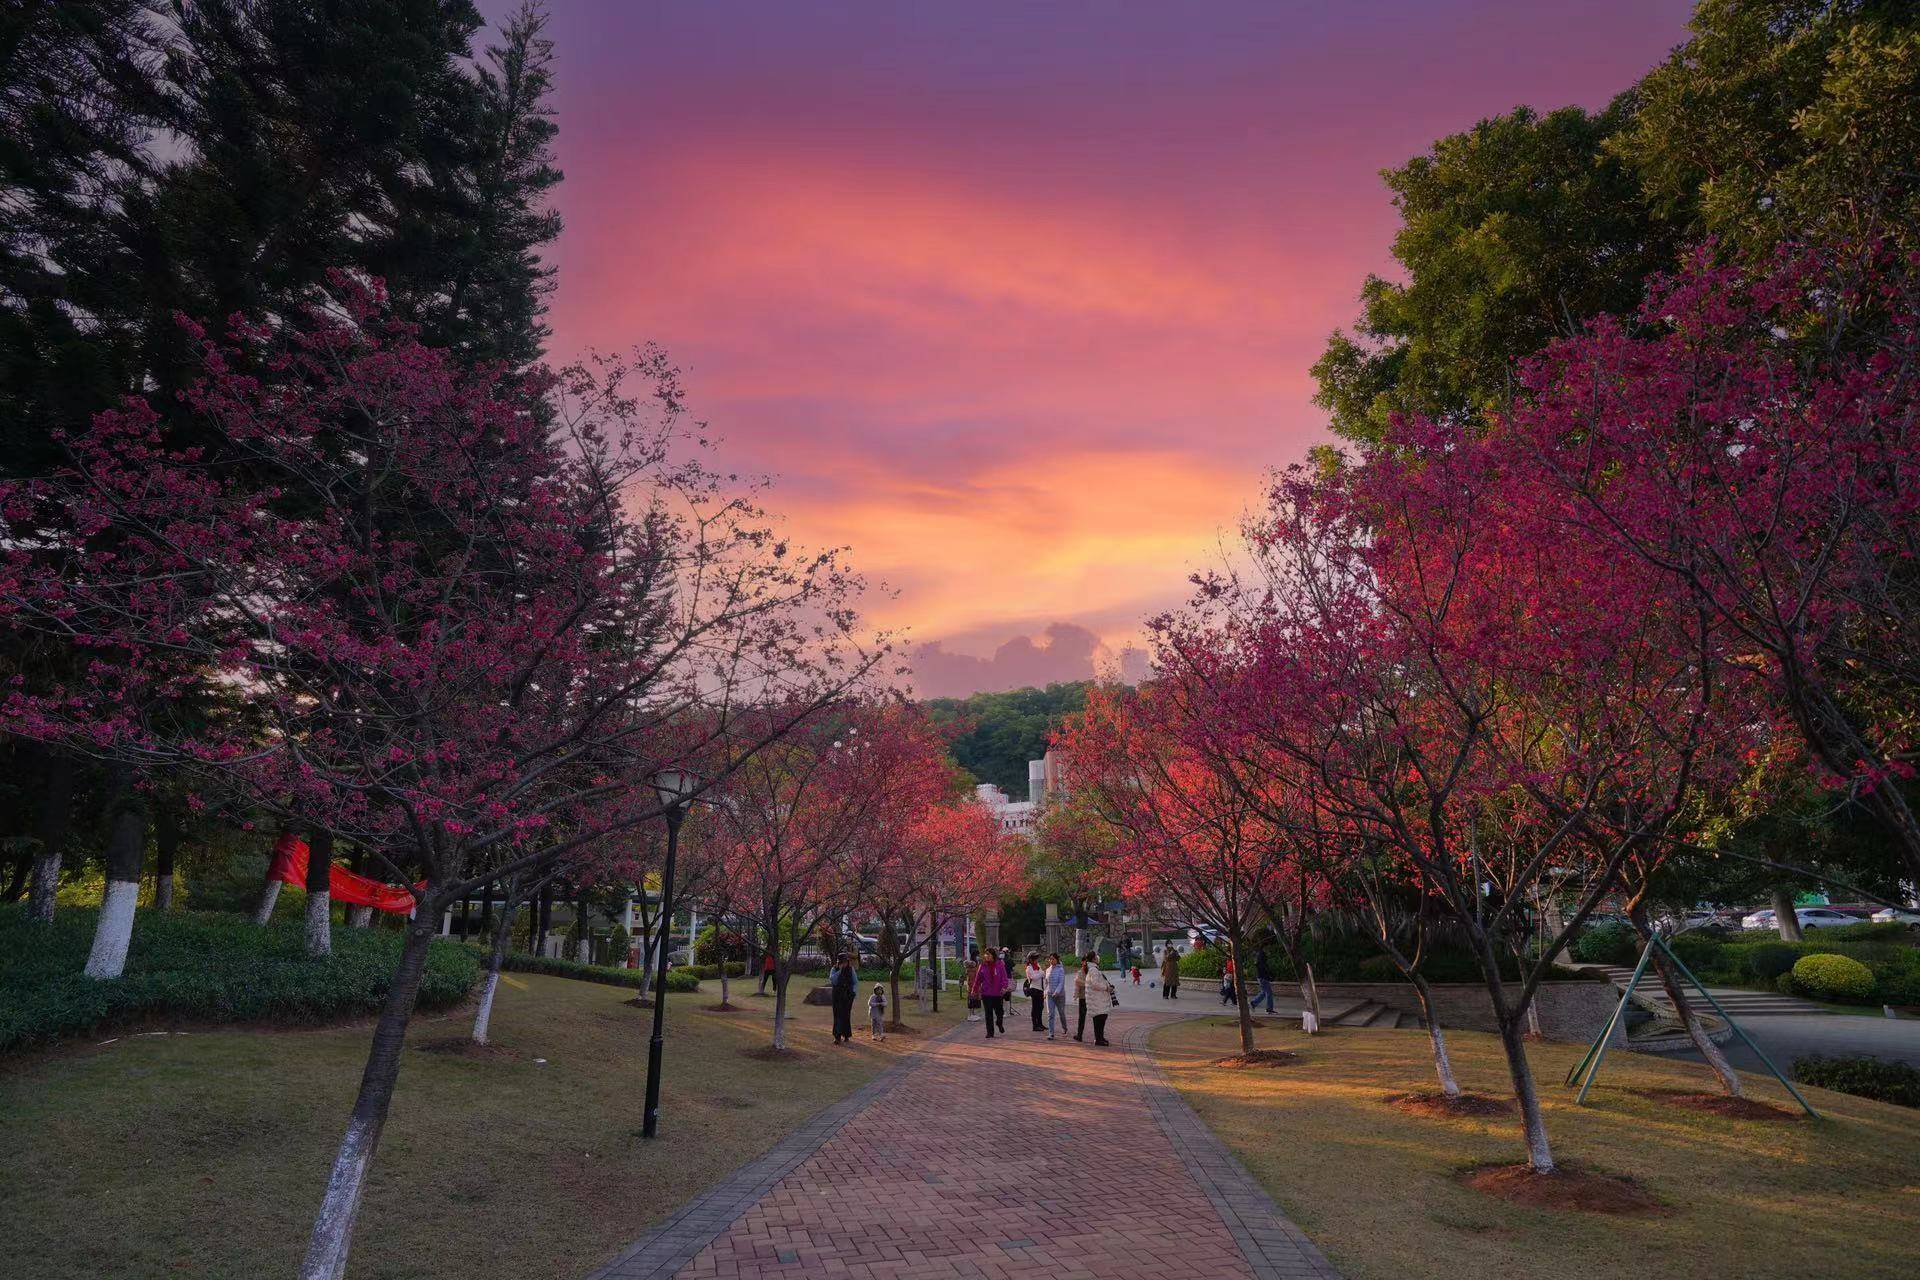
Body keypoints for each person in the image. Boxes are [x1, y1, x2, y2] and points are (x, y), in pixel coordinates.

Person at [975, 947, 1010, 1037]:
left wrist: (1004, 987)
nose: (986, 956)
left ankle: (999, 1023)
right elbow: (978, 979)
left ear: (993, 956)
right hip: (986, 993)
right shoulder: (982, 965)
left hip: (997, 993)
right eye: (985, 954)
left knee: (999, 1012)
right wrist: (974, 990)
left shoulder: (999, 964)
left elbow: (1004, 977)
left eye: (989, 954)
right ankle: (990, 1032)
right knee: (988, 1013)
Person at [1084, 960, 1119, 1045]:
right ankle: (1098, 1039)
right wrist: (1106, 988)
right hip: (1097, 1000)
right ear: (1093, 959)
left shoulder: (1094, 969)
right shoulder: (1093, 970)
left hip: (1098, 1000)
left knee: (1100, 1020)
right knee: (1099, 1020)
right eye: (1096, 957)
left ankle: (1100, 1038)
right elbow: (1095, 984)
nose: (1098, 958)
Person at [830, 953, 857, 1045]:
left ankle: (846, 1035)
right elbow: (833, 980)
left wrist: (853, 993)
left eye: (845, 962)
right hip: (837, 995)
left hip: (848, 995)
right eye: (842, 962)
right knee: (837, 1015)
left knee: (846, 1014)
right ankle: (837, 1036)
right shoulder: (834, 969)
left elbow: (855, 982)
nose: (844, 964)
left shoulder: (851, 969)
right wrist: (840, 971)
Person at [1043, 952, 1068, 1039]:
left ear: (1057, 960)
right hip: (1050, 995)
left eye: (1053, 959)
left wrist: (1057, 992)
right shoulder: (1048, 970)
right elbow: (1046, 983)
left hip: (1059, 995)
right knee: (1050, 1014)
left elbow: (1061, 982)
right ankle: (1051, 1033)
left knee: (1061, 1013)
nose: (1051, 960)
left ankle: (1064, 1027)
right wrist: (1045, 992)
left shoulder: (1061, 969)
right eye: (1050, 959)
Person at [1024, 952, 1045, 1031]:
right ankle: (1035, 1025)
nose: (1037, 960)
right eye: (1035, 958)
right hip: (1034, 989)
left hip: (1040, 989)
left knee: (1040, 1007)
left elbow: (1042, 974)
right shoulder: (1029, 968)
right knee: (1035, 1008)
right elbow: (1034, 977)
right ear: (1031, 959)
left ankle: (1040, 1024)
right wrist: (1041, 973)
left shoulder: (1038, 966)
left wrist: (1040, 973)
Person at [1073, 955, 1092, 1041]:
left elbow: (1079, 982)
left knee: (1095, 1016)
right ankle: (1079, 1035)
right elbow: (1077, 982)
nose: (1085, 963)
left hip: (1092, 997)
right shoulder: (1080, 972)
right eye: (1084, 961)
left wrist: (1085, 983)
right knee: (1081, 1017)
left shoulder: (1092, 971)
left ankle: (1098, 1036)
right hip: (1083, 997)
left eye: (1086, 961)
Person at [1254, 948, 1277, 1014]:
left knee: (1264, 992)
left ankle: (1253, 1003)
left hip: (1261, 978)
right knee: (1269, 993)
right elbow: (1264, 970)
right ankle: (1269, 1009)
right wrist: (1269, 977)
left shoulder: (1259, 959)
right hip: (1263, 978)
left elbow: (1264, 970)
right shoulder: (1262, 960)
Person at [963, 953, 982, 1022]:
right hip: (972, 988)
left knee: (972, 1001)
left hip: (972, 988)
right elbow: (972, 981)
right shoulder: (972, 971)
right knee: (971, 1001)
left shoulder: (970, 971)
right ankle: (970, 1015)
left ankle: (972, 1014)